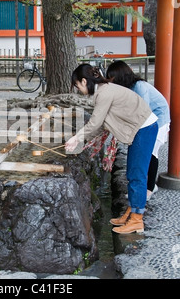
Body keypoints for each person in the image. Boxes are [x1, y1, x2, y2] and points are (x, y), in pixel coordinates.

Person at [65, 63, 158, 234]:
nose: (78, 89)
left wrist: (77, 137)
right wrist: (83, 140)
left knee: (137, 174)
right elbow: (101, 124)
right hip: (140, 129)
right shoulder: (103, 91)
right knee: (131, 173)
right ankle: (131, 212)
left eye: (77, 85)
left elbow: (95, 122)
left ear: (84, 81)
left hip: (144, 128)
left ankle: (137, 220)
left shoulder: (104, 93)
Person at [106, 60, 170, 201]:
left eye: (112, 78)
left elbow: (142, 111)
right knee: (145, 154)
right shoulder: (127, 88)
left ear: (120, 76)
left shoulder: (140, 87)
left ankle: (149, 188)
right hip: (147, 122)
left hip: (158, 119)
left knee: (151, 152)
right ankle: (146, 187)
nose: (111, 82)